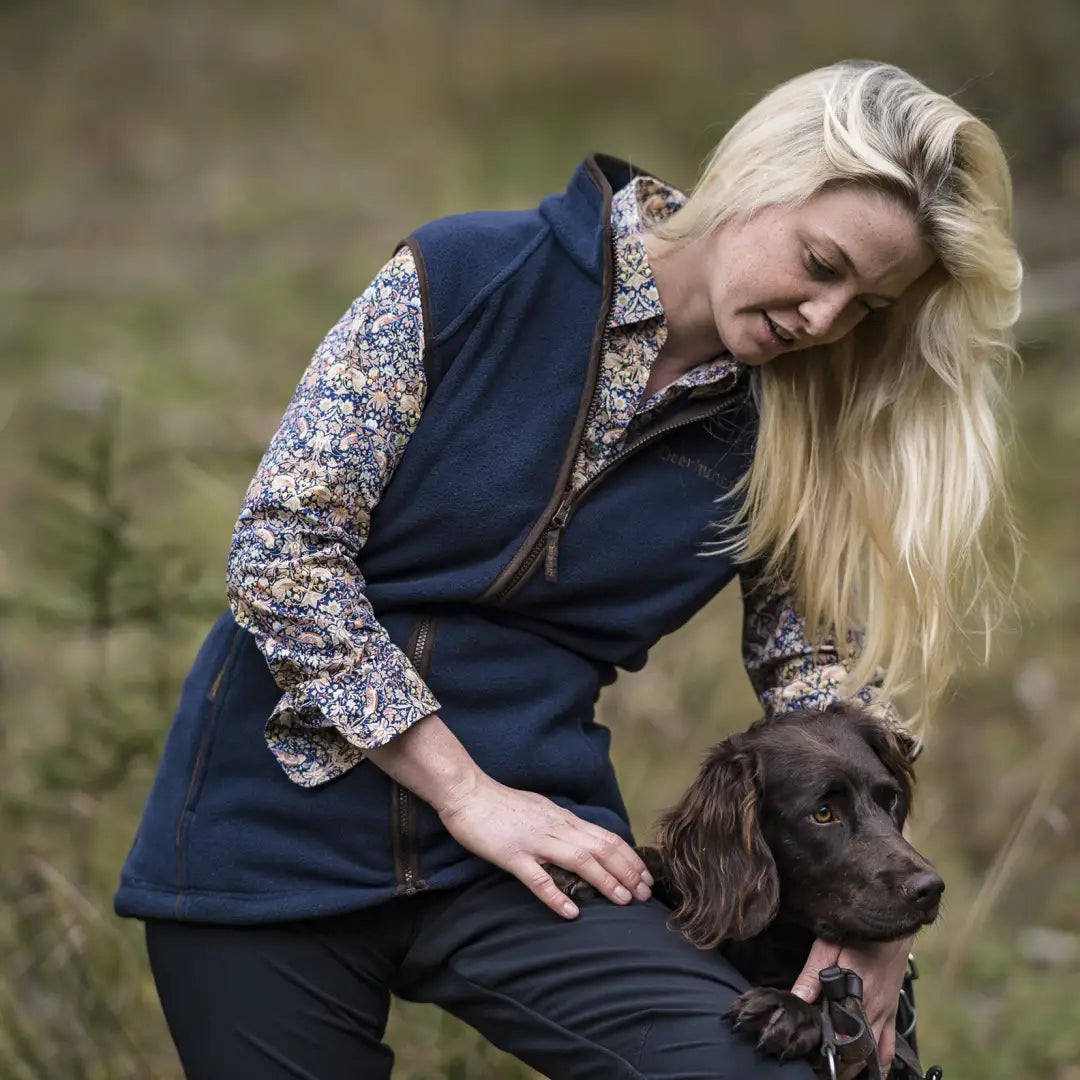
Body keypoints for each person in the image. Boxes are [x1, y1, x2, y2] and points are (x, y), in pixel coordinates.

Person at [115, 59, 1021, 1079]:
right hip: (268, 834)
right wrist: (464, 792)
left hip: (541, 857)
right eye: (820, 262)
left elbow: (822, 679)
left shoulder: (789, 422)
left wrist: (876, 914)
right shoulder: (465, 276)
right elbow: (283, 549)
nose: (823, 318)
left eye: (865, 305)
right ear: (759, 177)